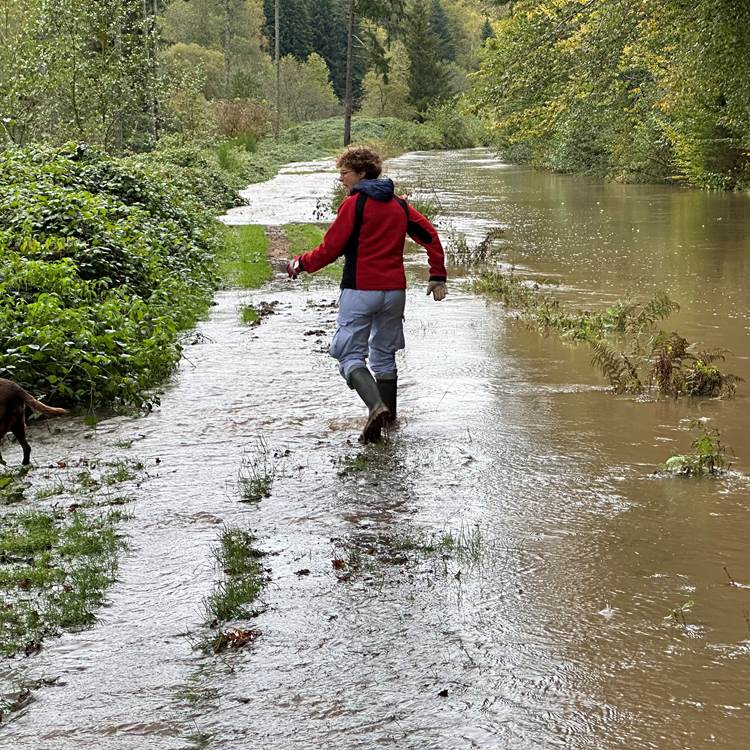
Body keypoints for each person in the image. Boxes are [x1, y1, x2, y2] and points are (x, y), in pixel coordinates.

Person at [287, 146, 447, 443]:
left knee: (348, 354)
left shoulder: (354, 205)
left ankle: (376, 407)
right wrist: (437, 274)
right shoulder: (399, 205)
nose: (341, 179)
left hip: (361, 290)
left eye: (344, 173)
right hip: (395, 293)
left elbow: (330, 249)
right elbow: (430, 236)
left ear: (361, 173)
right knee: (384, 356)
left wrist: (300, 264)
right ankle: (390, 424)